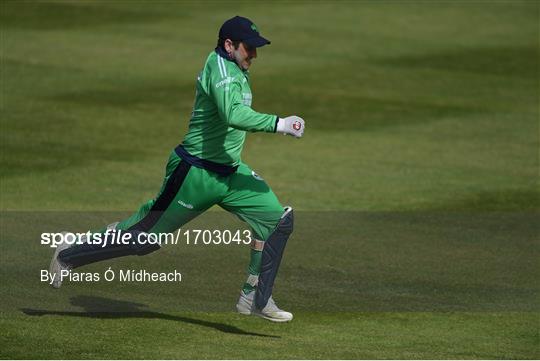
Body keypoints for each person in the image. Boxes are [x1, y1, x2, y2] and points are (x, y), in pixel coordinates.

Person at [49, 16, 305, 323]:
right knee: (145, 239)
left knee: (277, 221)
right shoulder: (219, 69)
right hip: (194, 174)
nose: (254, 55)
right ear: (229, 45)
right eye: (249, 48)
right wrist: (280, 124)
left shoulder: (235, 67)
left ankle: (255, 297)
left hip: (230, 173)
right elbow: (232, 114)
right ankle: (69, 252)